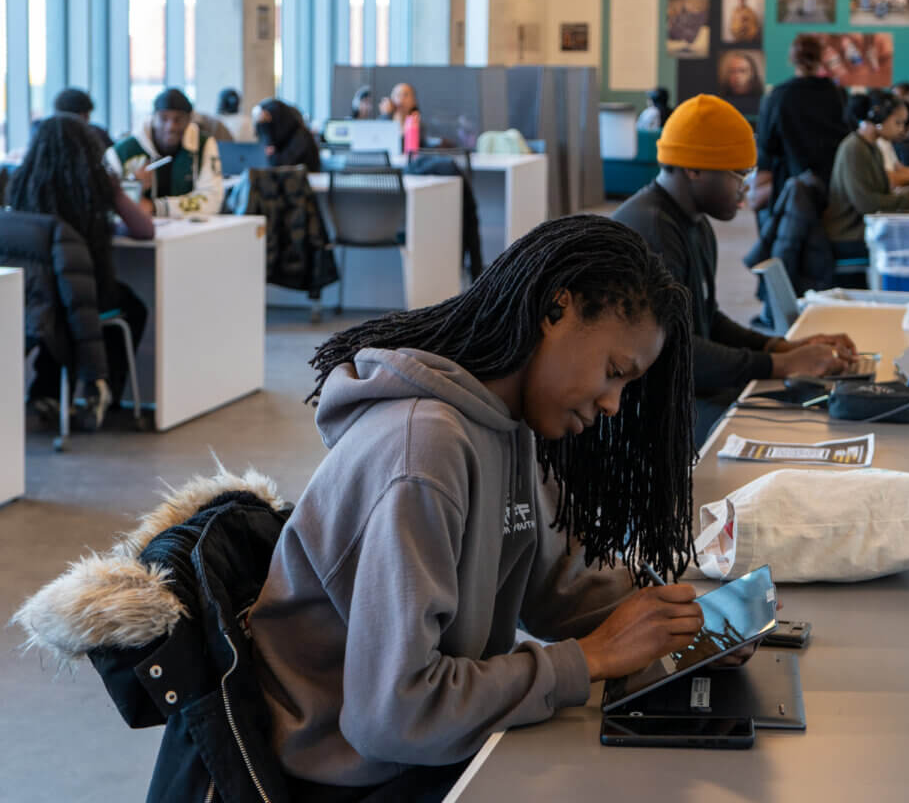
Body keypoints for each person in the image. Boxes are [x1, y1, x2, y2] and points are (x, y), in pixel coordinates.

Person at [251, 215, 745, 800]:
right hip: (357, 779)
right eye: (615, 372)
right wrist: (585, 660)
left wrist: (685, 619)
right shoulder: (422, 453)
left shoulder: (509, 428)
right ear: (556, 311)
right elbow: (392, 715)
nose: (614, 403)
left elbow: (558, 587)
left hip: (429, 751)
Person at [613, 95, 857, 444]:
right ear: (693, 168)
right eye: (738, 174)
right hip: (648, 420)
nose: (745, 189)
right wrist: (779, 366)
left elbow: (706, 319)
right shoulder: (652, 232)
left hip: (683, 395)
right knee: (789, 430)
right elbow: (671, 351)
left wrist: (781, 347)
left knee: (812, 414)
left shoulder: (694, 224)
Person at [9, 115, 153, 430]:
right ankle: (108, 395)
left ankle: (47, 393)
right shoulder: (94, 188)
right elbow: (145, 230)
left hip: (30, 299)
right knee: (126, 309)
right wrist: (116, 192)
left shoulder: (21, 184)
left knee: (61, 312)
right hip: (81, 297)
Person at [824, 90, 909, 261]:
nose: (902, 129)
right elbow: (866, 203)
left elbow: (881, 194)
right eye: (898, 122)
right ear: (878, 117)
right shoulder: (854, 149)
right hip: (849, 234)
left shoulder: (873, 147)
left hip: (866, 228)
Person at [754, 34, 849, 213]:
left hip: (790, 187)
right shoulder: (838, 94)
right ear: (821, 58)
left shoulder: (778, 96)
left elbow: (766, 147)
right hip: (833, 187)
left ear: (792, 59)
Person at [106, 88, 224, 217]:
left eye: (178, 119)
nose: (171, 127)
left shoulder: (204, 145)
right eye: (163, 118)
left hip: (192, 232)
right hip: (138, 233)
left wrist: (157, 207)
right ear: (153, 117)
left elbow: (212, 199)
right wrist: (132, 185)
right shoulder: (121, 152)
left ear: (189, 120)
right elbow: (105, 200)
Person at [252, 97, 321, 172]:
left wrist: (272, 153)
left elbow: (284, 165)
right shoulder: (271, 130)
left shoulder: (299, 137)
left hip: (304, 176)